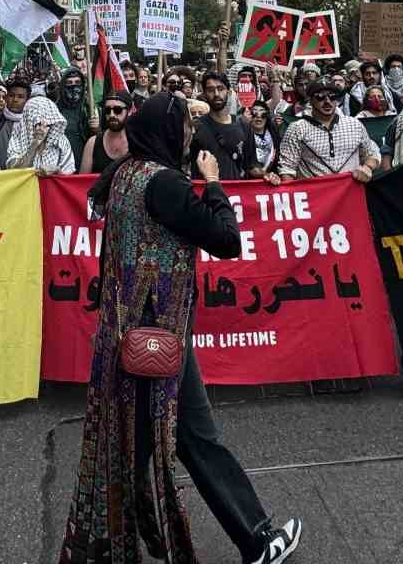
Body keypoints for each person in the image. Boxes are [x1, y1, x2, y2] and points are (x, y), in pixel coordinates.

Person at [59, 93, 303, 564]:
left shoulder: (125, 172)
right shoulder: (165, 183)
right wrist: (213, 184)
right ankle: (254, 540)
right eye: (187, 127)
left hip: (127, 333)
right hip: (159, 338)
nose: (192, 135)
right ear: (167, 132)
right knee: (173, 438)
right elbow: (226, 240)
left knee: (148, 440)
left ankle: (114, 538)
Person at [273, 82, 378, 183]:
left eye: (332, 97)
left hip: (351, 190)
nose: (327, 101)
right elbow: (287, 169)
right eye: (320, 97)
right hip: (315, 193)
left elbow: (372, 153)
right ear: (310, 100)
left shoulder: (354, 124)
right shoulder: (297, 128)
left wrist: (367, 167)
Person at [189, 71, 257, 181]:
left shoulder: (244, 126)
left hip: (236, 190)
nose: (216, 94)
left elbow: (252, 166)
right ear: (204, 94)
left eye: (220, 89)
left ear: (229, 92)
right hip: (207, 190)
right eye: (210, 90)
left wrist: (267, 175)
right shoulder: (196, 127)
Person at [8, 95, 78, 174]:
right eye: (38, 123)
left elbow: (68, 176)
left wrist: (57, 170)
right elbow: (14, 172)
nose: (42, 128)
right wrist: (33, 146)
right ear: (28, 122)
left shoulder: (61, 141)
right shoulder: (17, 139)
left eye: (48, 124)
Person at [0, 76, 32, 167]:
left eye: (20, 97)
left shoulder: (32, 123)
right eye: (11, 95)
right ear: (7, 97)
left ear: (27, 100)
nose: (15, 100)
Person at [82, 95, 131, 174]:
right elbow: (82, 180)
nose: (111, 115)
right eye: (107, 110)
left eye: (117, 110)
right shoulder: (92, 143)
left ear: (129, 111)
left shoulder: (138, 143)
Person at [245, 100, 284, 175]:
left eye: (262, 113)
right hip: (251, 179)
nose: (259, 116)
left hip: (273, 177)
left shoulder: (274, 135)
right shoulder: (244, 135)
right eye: (254, 113)